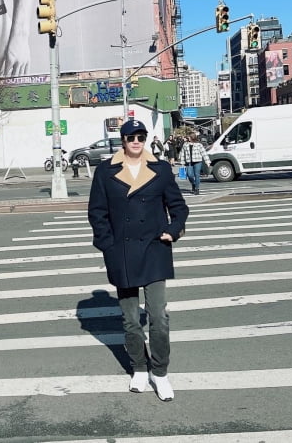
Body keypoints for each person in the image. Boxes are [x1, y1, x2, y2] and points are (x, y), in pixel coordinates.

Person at [88, 119, 189, 402]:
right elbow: (97, 213)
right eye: (131, 137)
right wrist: (108, 246)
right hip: (121, 251)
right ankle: (139, 368)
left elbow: (179, 207)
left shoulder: (160, 169)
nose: (136, 141)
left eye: (141, 137)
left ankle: (161, 372)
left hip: (155, 249)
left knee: (158, 316)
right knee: (131, 319)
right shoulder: (105, 172)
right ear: (122, 140)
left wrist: (172, 230)